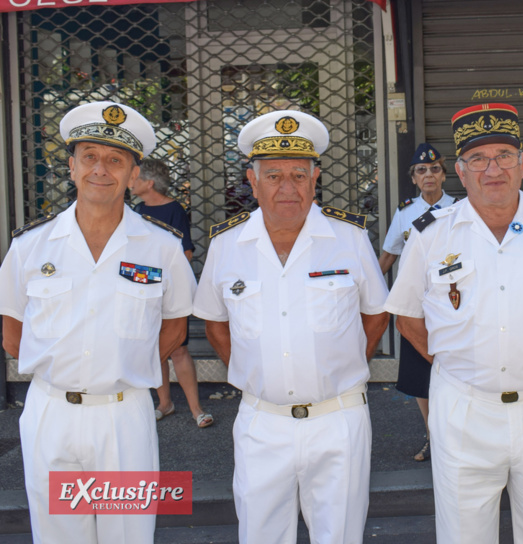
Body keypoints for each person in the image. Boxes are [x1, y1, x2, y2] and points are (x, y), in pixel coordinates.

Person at [385, 103, 523, 543]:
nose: (493, 169)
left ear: (522, 163)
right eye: (478, 159)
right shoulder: (430, 233)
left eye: (504, 156)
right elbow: (407, 317)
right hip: (464, 408)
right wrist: (463, 364)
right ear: (460, 172)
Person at [0, 101, 196, 543]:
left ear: (133, 174)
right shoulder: (31, 246)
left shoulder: (161, 247)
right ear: (72, 166)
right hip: (51, 414)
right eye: (89, 157)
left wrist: (121, 367)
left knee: (126, 534)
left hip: (122, 416)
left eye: (115, 160)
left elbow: (174, 328)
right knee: (58, 536)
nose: (100, 170)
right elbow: (12, 334)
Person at [193, 109, 390, 544]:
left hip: (338, 419)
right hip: (262, 422)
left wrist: (340, 367)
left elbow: (376, 315)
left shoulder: (350, 238)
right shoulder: (227, 245)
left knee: (340, 536)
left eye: (299, 175)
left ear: (315, 179)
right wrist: (257, 373)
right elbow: (215, 325)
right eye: (274, 176)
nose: (287, 188)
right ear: (252, 181)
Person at [379, 142, 457, 462]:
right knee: (421, 379)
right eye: (421, 170)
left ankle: (457, 439)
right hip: (416, 309)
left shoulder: (460, 209)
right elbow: (389, 255)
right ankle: (432, 437)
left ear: (444, 175)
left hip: (451, 305)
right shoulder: (405, 212)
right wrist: (370, 296)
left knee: (456, 371)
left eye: (435, 169)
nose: (429, 175)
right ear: (413, 178)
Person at [129, 158, 214, 428]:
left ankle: (196, 409)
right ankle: (164, 404)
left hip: (168, 290)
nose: (130, 183)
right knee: (154, 348)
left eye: (136, 178)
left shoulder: (174, 209)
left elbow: (185, 253)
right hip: (144, 291)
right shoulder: (136, 211)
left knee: (178, 348)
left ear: (149, 183)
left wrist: (157, 275)